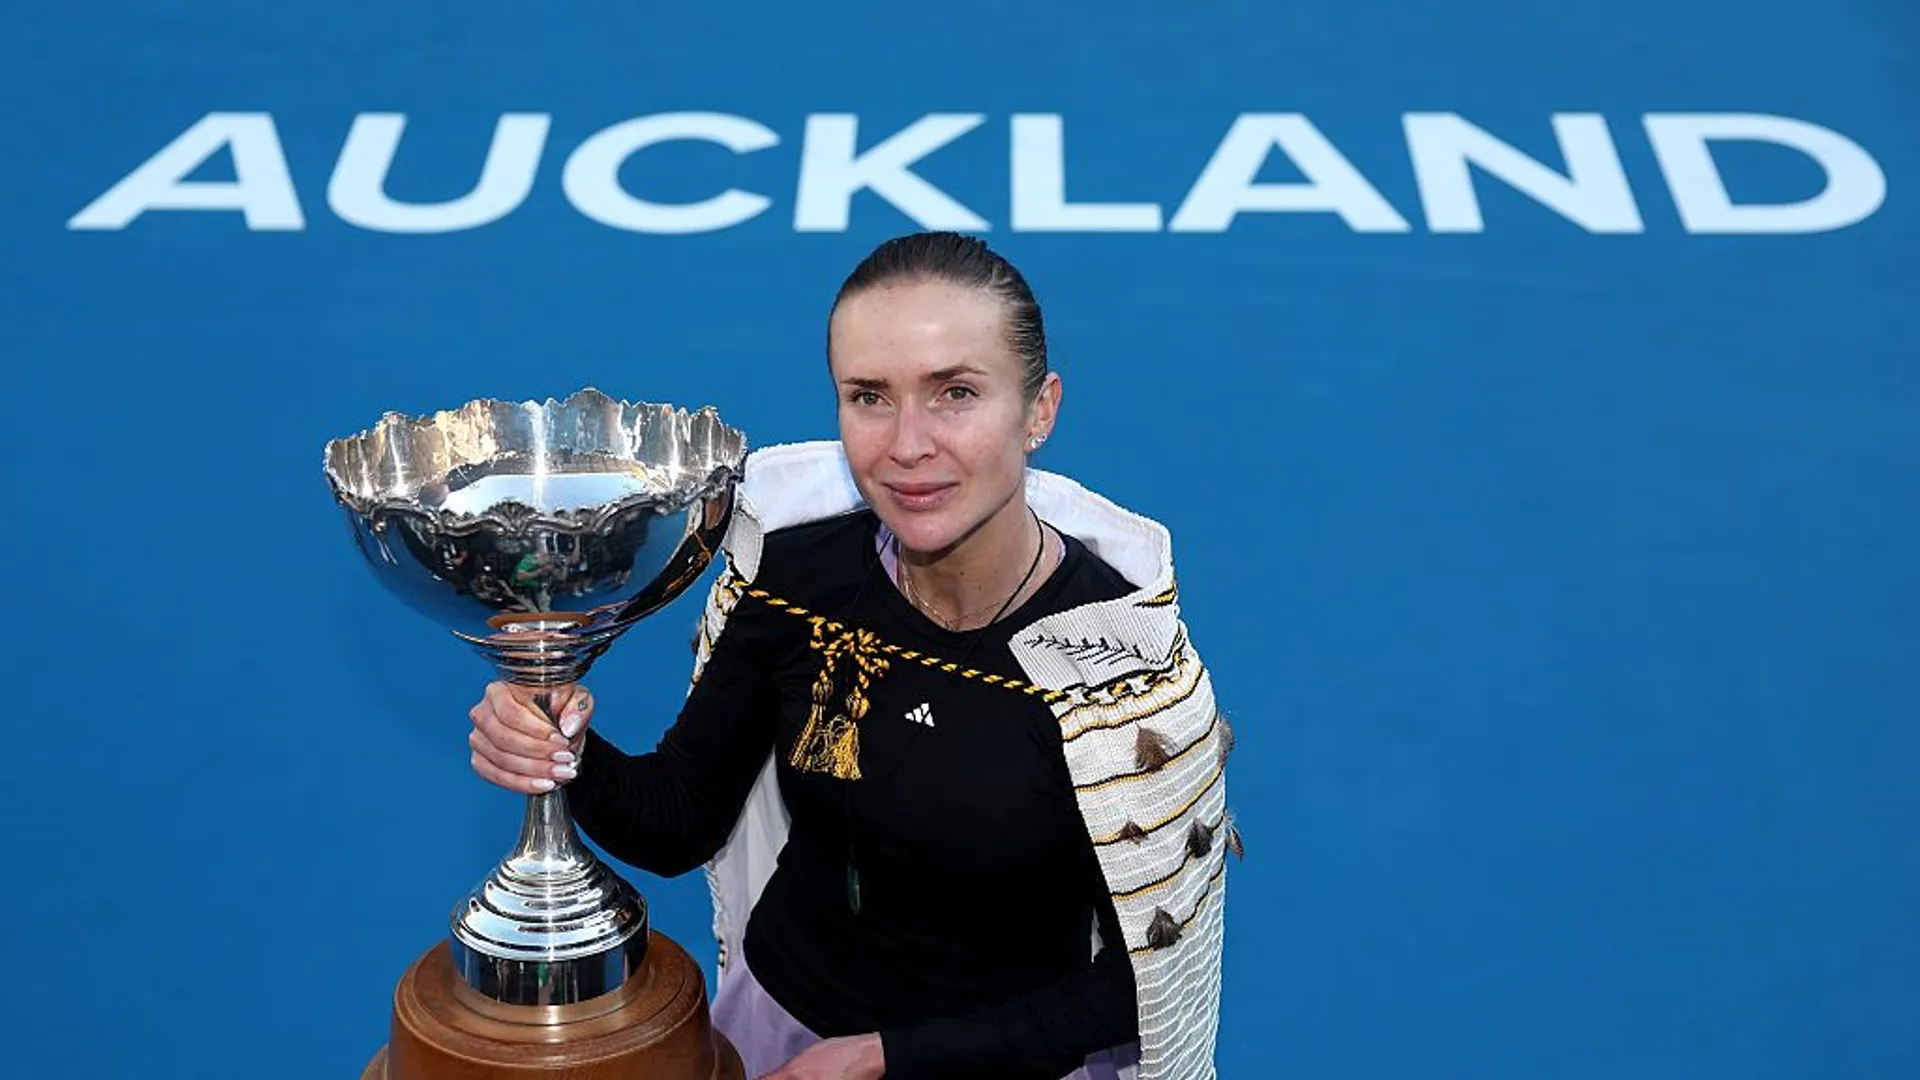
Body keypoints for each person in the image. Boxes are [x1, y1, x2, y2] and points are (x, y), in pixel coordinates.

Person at [466, 232, 1236, 1080]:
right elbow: (680, 819)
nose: (908, 445)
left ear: (1040, 410)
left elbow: (1142, 982)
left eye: (956, 393)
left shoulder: (1121, 668)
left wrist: (886, 1060)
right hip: (774, 1036)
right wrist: (564, 749)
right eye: (870, 396)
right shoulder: (798, 578)